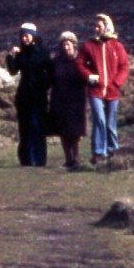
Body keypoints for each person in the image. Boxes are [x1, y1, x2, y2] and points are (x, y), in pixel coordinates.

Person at [75, 13, 129, 165]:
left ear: (107, 27)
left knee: (110, 122)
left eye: (99, 26)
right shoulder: (89, 45)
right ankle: (99, 152)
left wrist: (117, 82)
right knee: (99, 119)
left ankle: (113, 149)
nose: (96, 29)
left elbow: (124, 65)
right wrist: (89, 76)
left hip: (112, 91)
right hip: (95, 91)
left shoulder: (117, 46)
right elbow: (79, 63)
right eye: (95, 26)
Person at [6, 23, 52, 167]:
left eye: (27, 35)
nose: (24, 38)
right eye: (22, 36)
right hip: (24, 96)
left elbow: (50, 72)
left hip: (39, 96)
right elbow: (13, 70)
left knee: (37, 127)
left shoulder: (43, 51)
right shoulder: (21, 53)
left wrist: (44, 86)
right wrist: (10, 56)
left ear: (34, 36)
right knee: (24, 128)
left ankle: (39, 160)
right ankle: (26, 160)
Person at [49, 31, 87, 170]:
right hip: (59, 98)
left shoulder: (80, 60)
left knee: (75, 131)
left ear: (74, 44)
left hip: (76, 99)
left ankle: (76, 159)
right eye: (64, 44)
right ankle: (68, 159)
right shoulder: (56, 61)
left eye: (68, 44)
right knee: (63, 131)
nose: (66, 47)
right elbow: (50, 78)